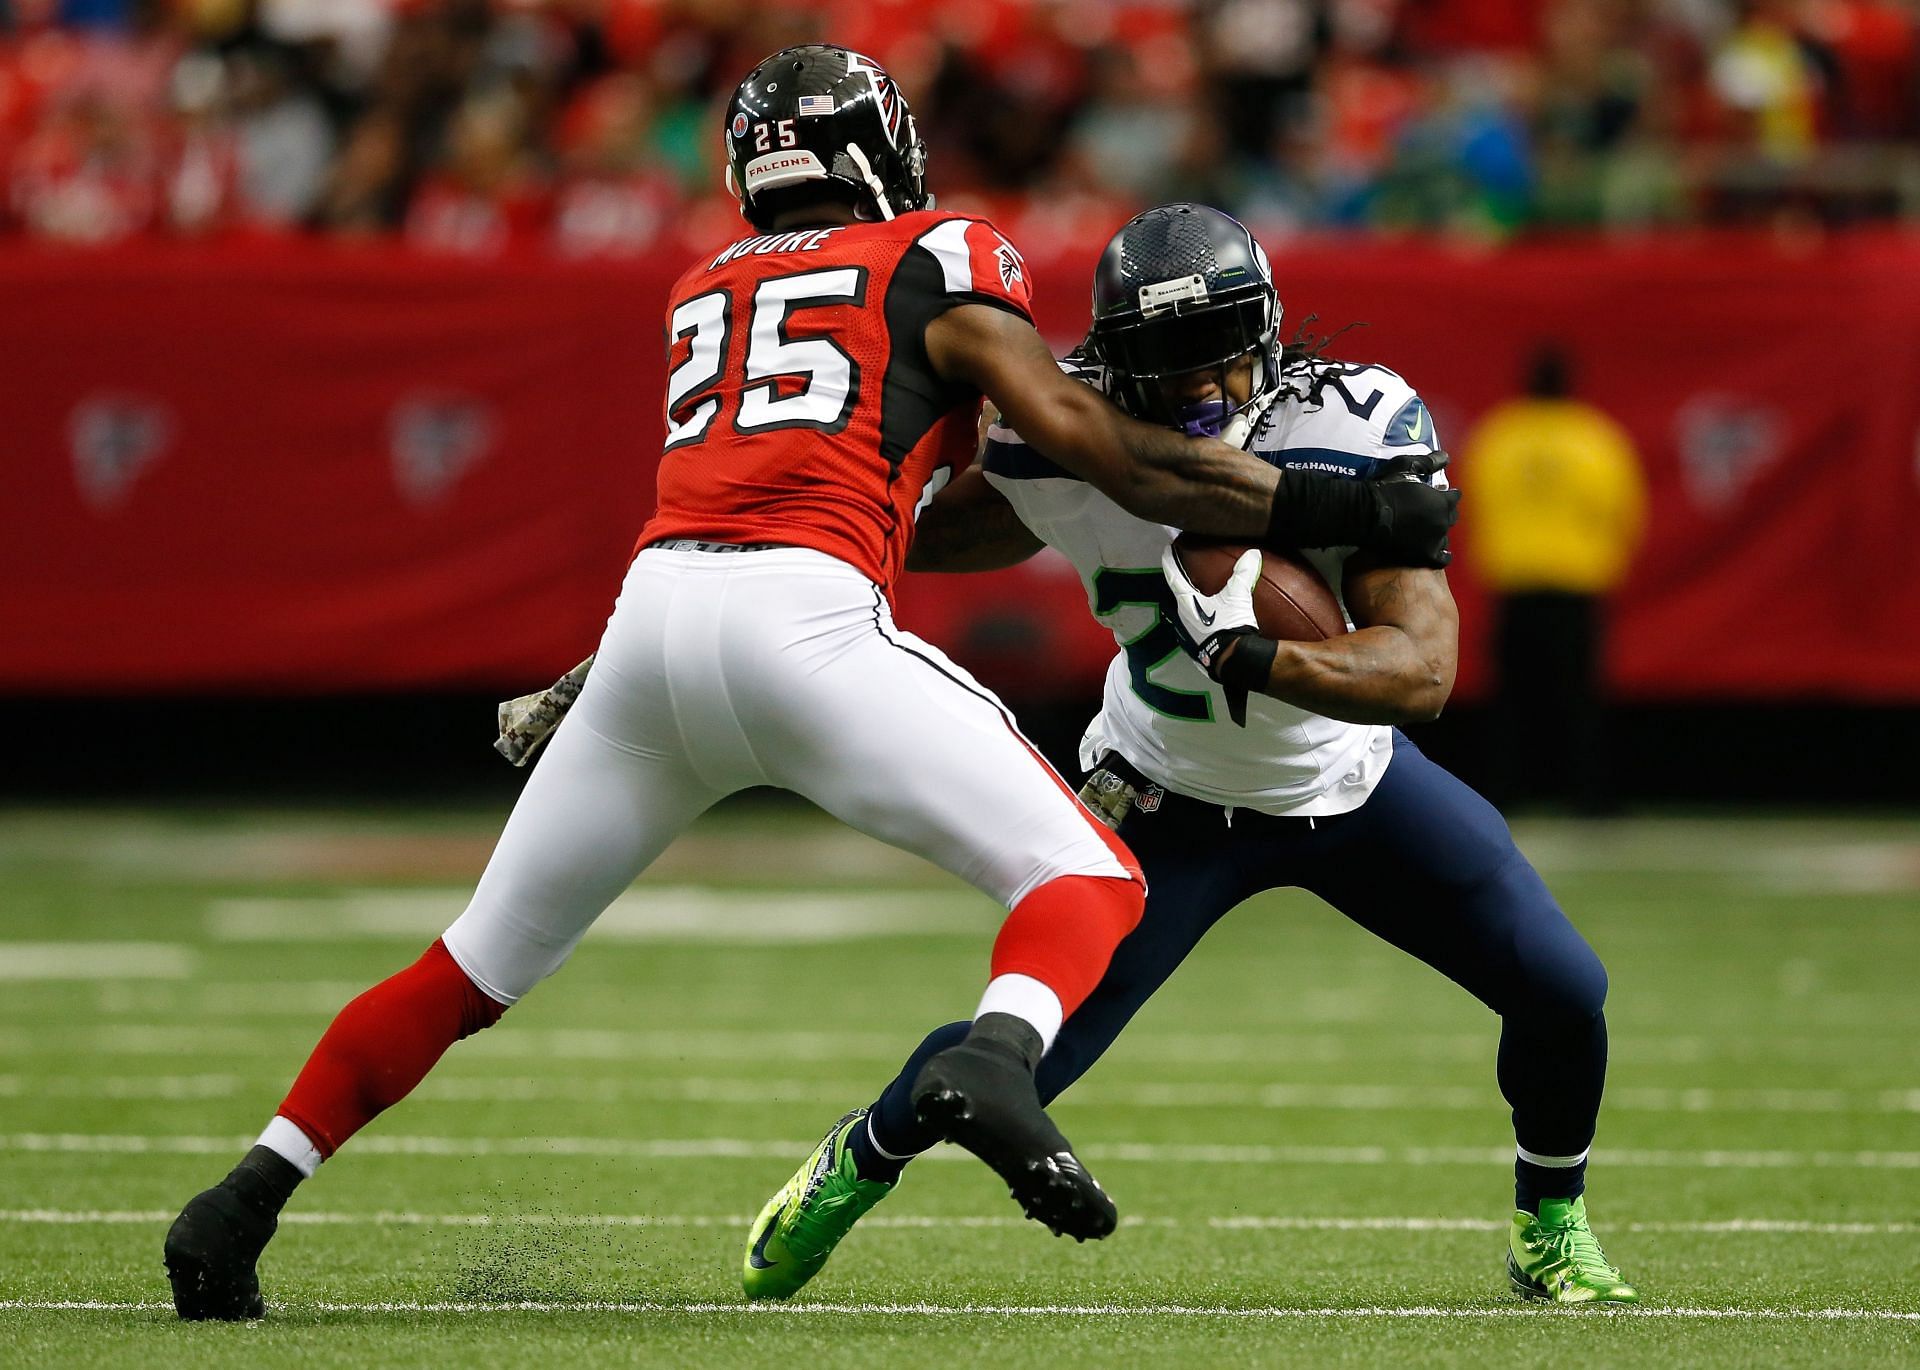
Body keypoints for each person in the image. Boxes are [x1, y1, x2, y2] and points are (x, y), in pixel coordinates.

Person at [160, 52, 1459, 1322]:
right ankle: (998, 1062)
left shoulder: (703, 282)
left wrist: (589, 671)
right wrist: (1333, 494)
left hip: (650, 625)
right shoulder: (936, 254)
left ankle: (244, 1194)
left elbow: (756, 478)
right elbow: (1091, 448)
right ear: (882, 153)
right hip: (802, 621)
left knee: (467, 968)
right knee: (1093, 879)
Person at [741, 204, 1636, 1307]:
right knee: (1021, 1050)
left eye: (1218, 356)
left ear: (1267, 331)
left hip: (1346, 779)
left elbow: (1424, 668)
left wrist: (1261, 658)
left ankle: (1550, 1223)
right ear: (1116, 367)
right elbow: (906, 530)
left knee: (1562, 987)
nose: (1201, 389)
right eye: (1165, 367)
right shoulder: (1062, 436)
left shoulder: (1347, 425)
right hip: (1161, 793)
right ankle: (853, 1161)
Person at [1464, 342, 1647, 814]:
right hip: (1576, 584)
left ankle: (1503, 792)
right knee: (1580, 698)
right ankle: (1590, 797)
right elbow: (1623, 511)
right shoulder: (1595, 438)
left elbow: (1473, 501)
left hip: (1516, 582)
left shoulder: (1500, 434)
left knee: (1510, 701)